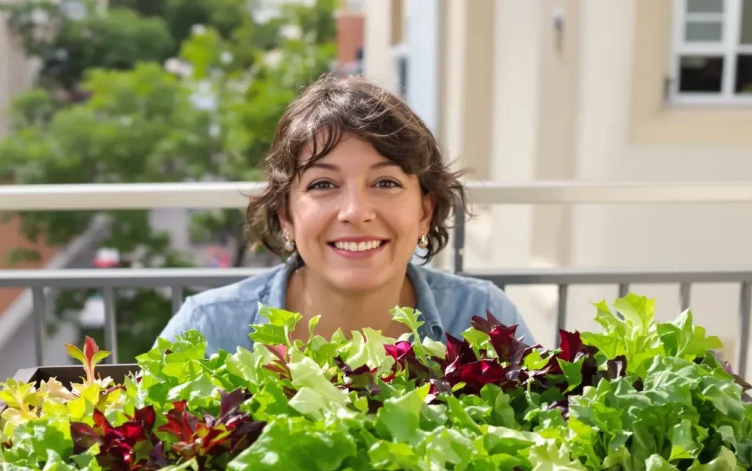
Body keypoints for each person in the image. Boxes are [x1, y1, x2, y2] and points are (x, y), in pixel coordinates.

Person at [161, 75, 534, 355]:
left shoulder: (483, 319)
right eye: (323, 184)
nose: (356, 212)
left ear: (425, 211)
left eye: (385, 183)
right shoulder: (206, 331)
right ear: (285, 215)